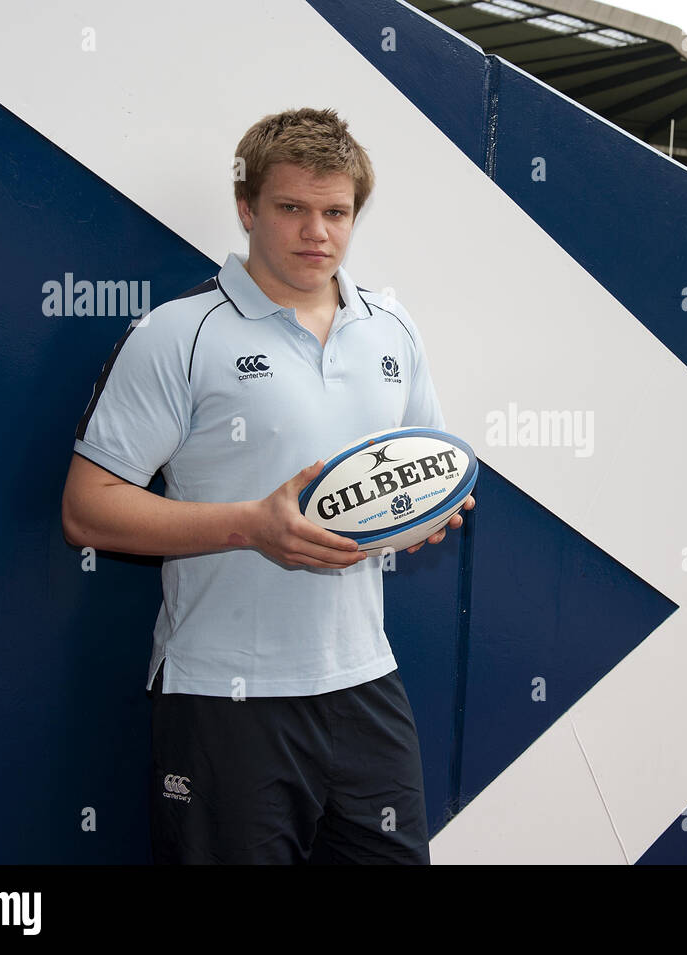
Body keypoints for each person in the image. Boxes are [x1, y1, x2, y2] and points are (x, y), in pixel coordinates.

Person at [60, 107, 472, 864]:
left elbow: (421, 479)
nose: (317, 231)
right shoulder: (177, 334)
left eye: (336, 212)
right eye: (292, 208)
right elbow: (88, 510)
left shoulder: (393, 329)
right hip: (224, 696)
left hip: (364, 685)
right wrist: (252, 525)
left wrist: (424, 517)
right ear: (248, 208)